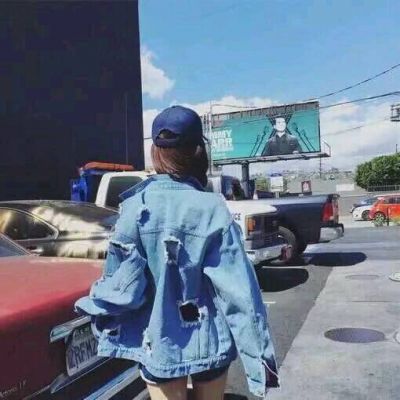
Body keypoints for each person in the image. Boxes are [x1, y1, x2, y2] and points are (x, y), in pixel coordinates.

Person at [75, 105, 279, 399]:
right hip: (209, 342)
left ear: (156, 152)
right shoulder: (211, 208)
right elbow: (241, 295)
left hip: (158, 345)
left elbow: (123, 289)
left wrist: (95, 307)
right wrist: (261, 367)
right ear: (199, 152)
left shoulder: (134, 208)